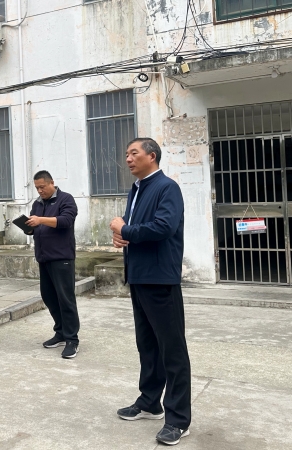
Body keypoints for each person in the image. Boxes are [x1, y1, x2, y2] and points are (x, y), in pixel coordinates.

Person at [109, 138, 191, 446]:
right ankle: (149, 402)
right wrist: (121, 237)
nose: (128, 159)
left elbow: (163, 227)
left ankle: (178, 419)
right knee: (147, 345)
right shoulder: (137, 189)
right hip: (139, 276)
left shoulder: (166, 187)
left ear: (151, 156)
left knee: (172, 350)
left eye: (134, 153)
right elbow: (133, 231)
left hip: (160, 279)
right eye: (126, 154)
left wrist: (125, 229)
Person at [25, 170, 80, 359]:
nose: (40, 191)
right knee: (48, 297)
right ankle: (61, 332)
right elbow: (36, 227)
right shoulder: (37, 204)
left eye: (42, 187)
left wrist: (40, 220)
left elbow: (66, 221)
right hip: (44, 257)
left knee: (66, 299)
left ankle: (72, 339)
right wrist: (30, 227)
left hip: (61, 257)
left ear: (51, 183)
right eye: (37, 188)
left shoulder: (66, 199)